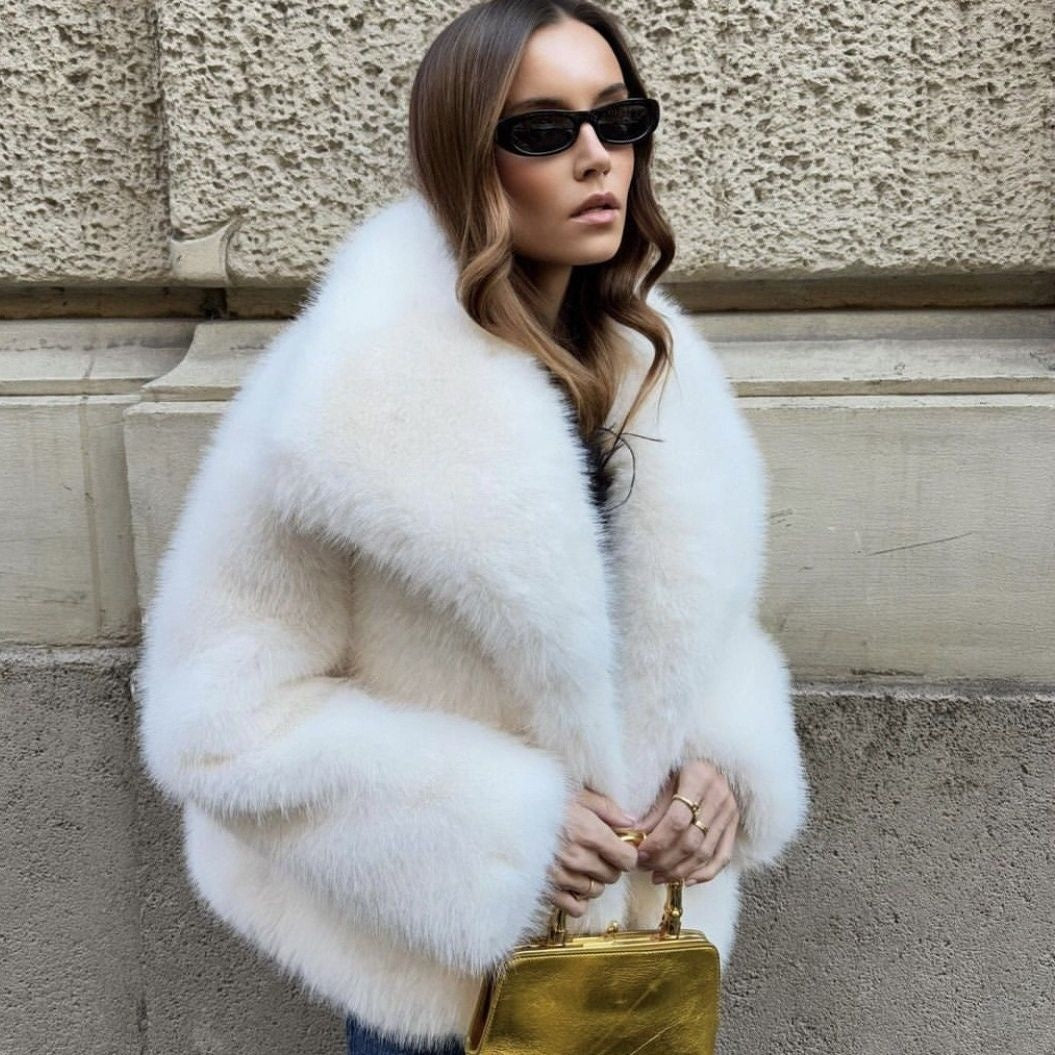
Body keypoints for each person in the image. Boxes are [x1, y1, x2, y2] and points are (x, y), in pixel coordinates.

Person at [135, 1, 810, 1053]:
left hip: (625, 984)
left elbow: (702, 636)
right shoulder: (344, 397)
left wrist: (716, 772)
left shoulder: (655, 366)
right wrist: (501, 831)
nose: (597, 159)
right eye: (542, 131)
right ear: (466, 159)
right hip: (443, 991)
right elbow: (216, 718)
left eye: (616, 119)